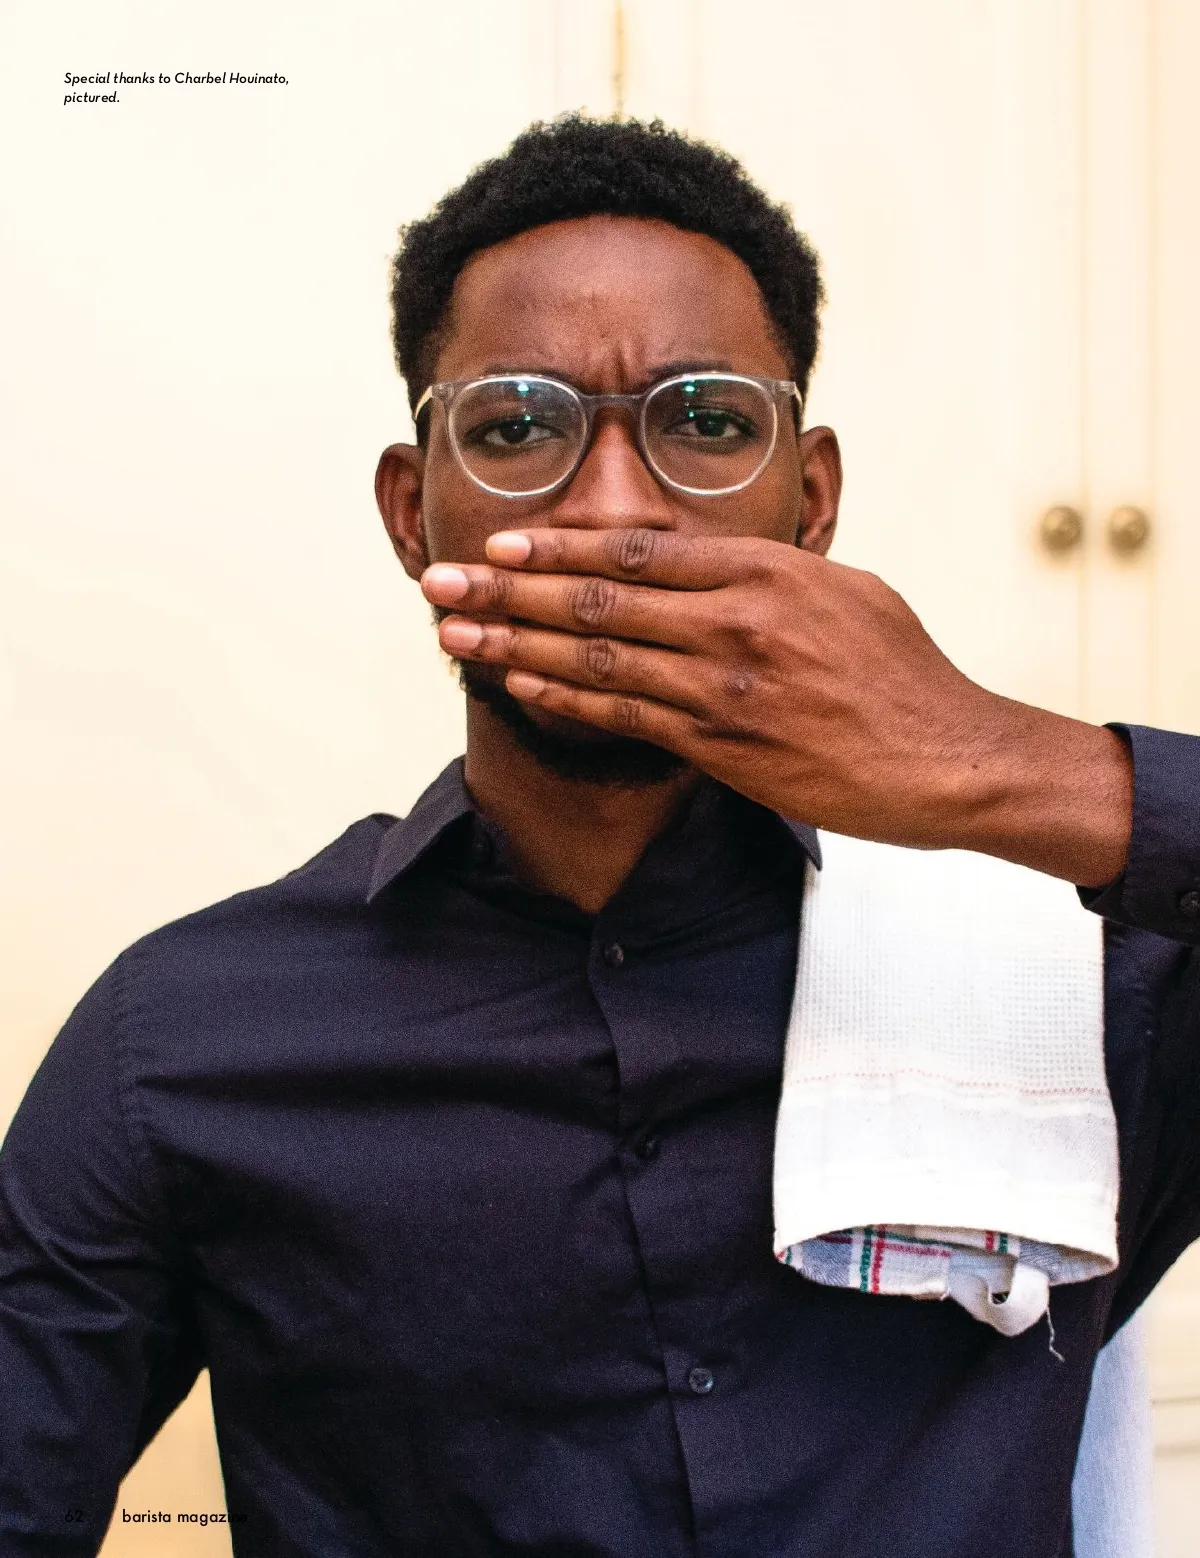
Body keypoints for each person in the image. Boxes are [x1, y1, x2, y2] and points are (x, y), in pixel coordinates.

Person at [1, 116, 1197, 1558]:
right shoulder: (181, 1041)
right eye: (517, 427)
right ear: (412, 512)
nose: (616, 507)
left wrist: (1005, 763)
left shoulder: (1079, 977)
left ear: (811, 501)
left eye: (706, 424)